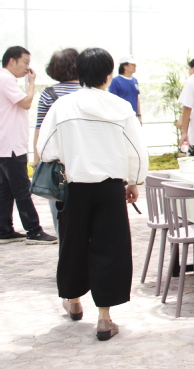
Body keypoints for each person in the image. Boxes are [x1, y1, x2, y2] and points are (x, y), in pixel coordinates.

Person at [38, 47, 147, 340]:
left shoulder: (62, 106)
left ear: (80, 73)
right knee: (110, 248)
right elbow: (136, 150)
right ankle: (104, 319)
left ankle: (73, 302)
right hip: (110, 189)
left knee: (72, 244)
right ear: (109, 75)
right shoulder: (121, 107)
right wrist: (134, 181)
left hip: (74, 187)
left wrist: (70, 154)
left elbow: (45, 149)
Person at [0, 46, 58, 245]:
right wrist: (32, 83)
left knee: (6, 189)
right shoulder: (6, 78)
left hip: (5, 144)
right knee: (22, 189)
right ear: (12, 61)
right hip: (11, 145)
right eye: (25, 62)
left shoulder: (4, 78)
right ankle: (34, 230)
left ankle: (4, 230)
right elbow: (25, 103)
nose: (27, 67)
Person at [34, 48, 81, 234]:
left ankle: (64, 244)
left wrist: (37, 162)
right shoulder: (88, 91)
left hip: (57, 162)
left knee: (59, 211)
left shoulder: (49, 94)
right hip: (84, 158)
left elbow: (40, 130)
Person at [108, 54, 141, 124]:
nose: (135, 66)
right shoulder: (115, 81)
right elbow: (111, 100)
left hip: (133, 117)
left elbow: (137, 97)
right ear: (125, 66)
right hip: (121, 118)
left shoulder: (134, 80)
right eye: (132, 64)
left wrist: (139, 115)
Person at [176, 59, 194, 133]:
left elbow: (187, 106)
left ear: (193, 68)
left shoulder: (191, 81)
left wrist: (181, 120)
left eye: (189, 69)